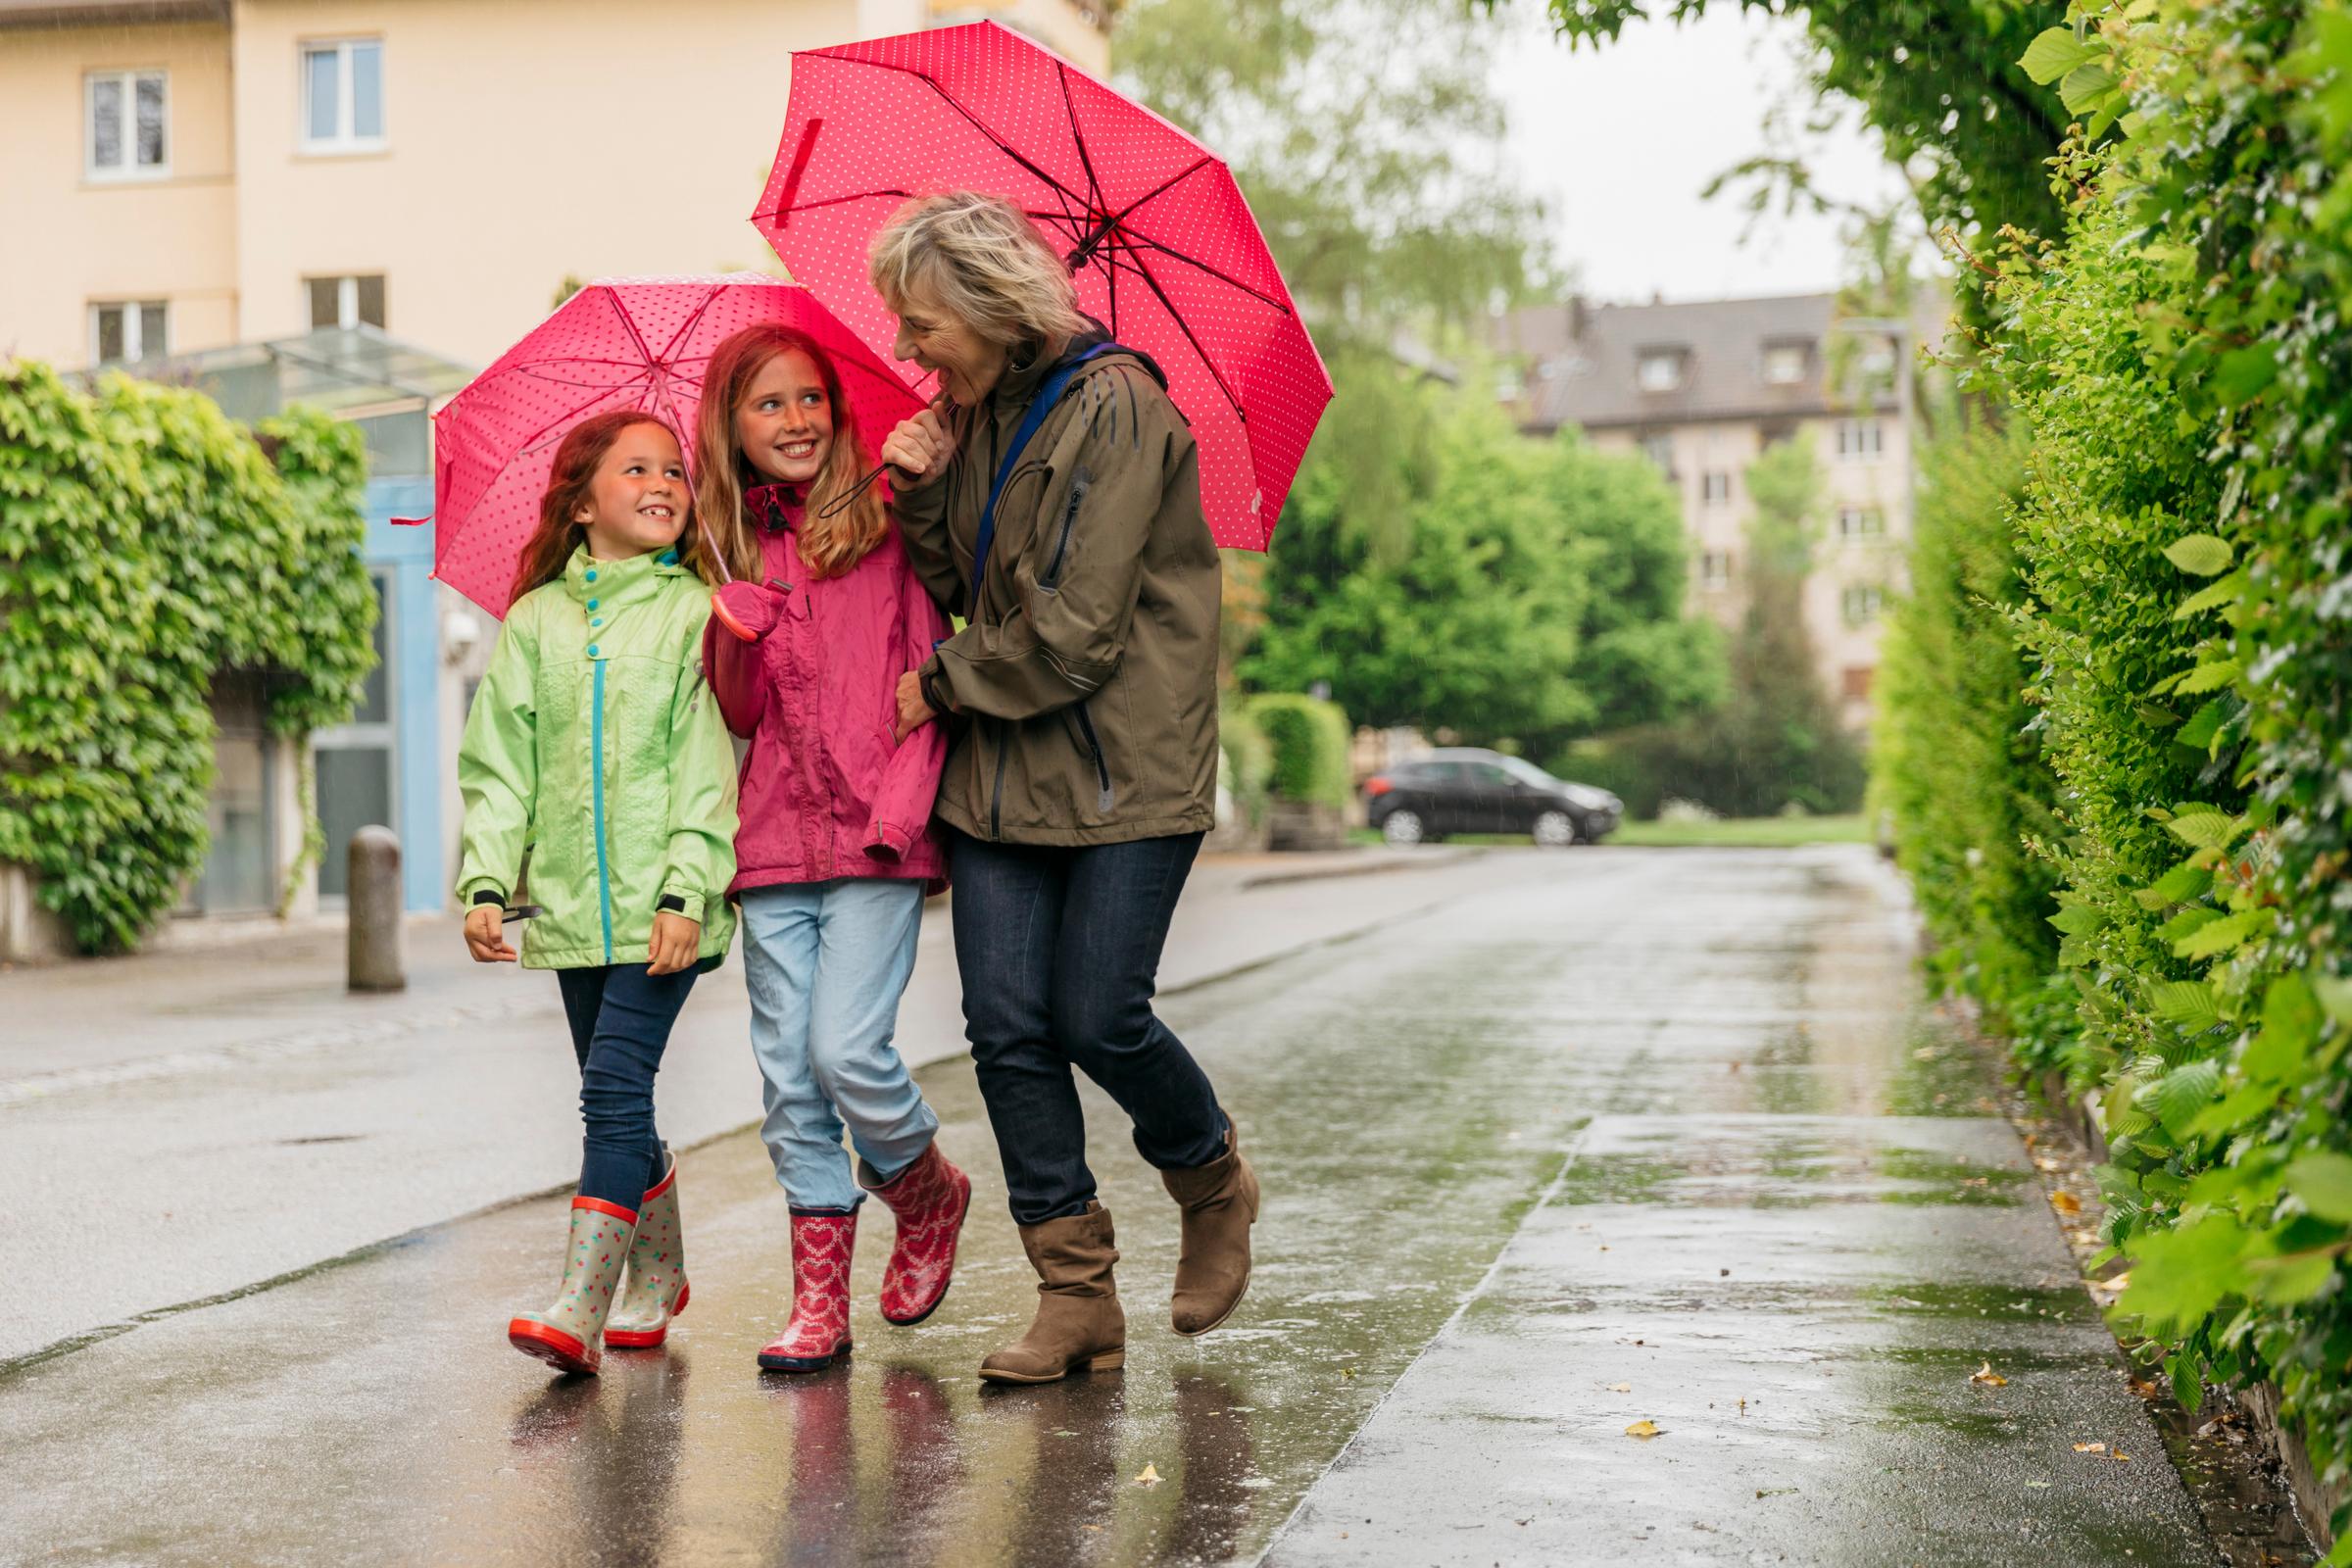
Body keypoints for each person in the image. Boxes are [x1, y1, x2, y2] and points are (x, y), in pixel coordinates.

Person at [871, 191, 1259, 1385]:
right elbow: (968, 587)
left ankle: (1210, 1176)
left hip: (1119, 768)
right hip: (1002, 776)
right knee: (1007, 1030)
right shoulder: (973, 416)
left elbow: (1078, 632)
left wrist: (938, 684)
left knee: (1099, 1014)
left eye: (922, 322)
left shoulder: (1122, 407)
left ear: (990, 308)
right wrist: (925, 488)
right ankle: (1076, 1292)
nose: (907, 348)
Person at [696, 322, 971, 1374]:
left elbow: (925, 685)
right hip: (771, 848)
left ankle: (925, 1189)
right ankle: (821, 1305)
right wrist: (733, 629)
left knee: (845, 1051)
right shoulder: (731, 547)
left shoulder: (887, 532)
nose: (796, 420)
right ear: (734, 427)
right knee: (789, 1079)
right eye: (769, 405)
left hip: (872, 839)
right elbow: (739, 709)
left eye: (809, 399)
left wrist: (900, 820)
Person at [457, 410, 740, 1376]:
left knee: (611, 1092)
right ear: (582, 502)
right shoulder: (534, 620)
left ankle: (580, 1305)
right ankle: (659, 1275)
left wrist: (686, 890)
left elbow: (707, 767)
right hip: (575, 911)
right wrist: (488, 878)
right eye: (636, 469)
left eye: (674, 470)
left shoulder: (696, 610)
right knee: (618, 1097)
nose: (664, 482)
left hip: (668, 911)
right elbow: (502, 767)